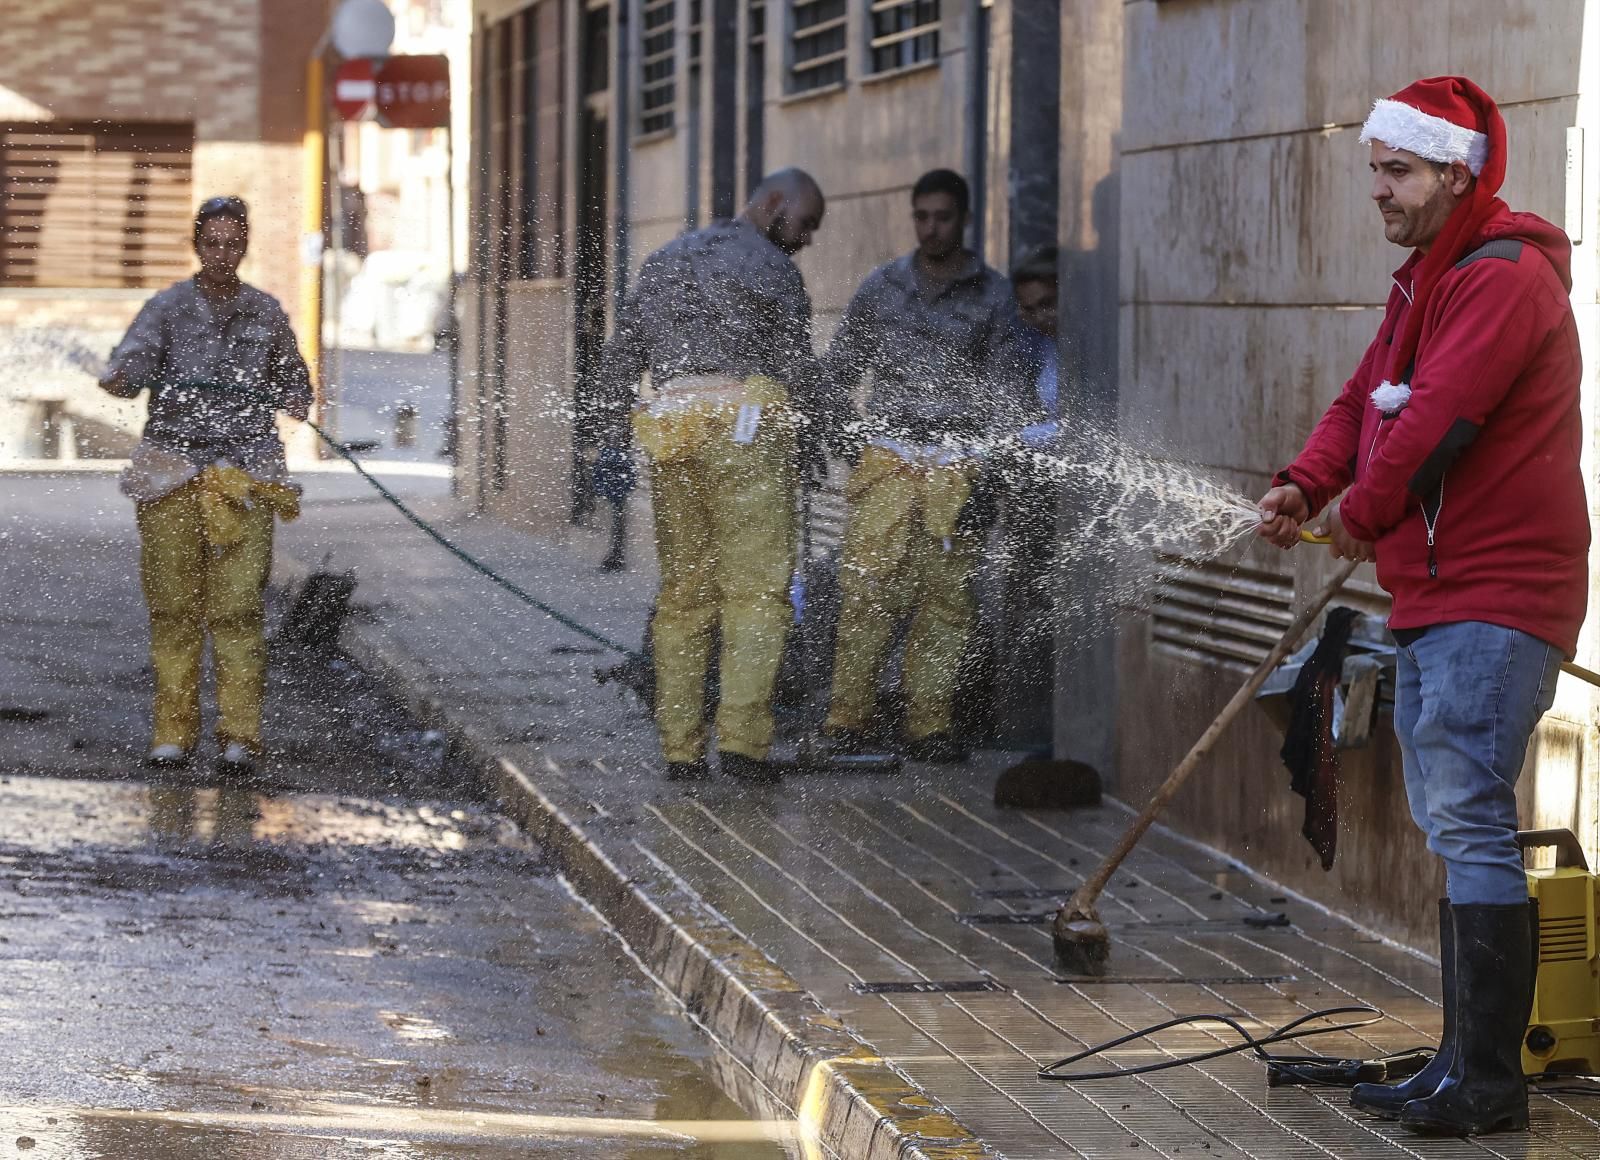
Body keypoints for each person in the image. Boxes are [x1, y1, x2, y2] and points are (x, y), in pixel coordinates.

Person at [1257, 77, 1588, 1137]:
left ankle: (1488, 1080)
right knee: (1455, 821)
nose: (1378, 191)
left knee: (1470, 820)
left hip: (1496, 590)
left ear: (1454, 171)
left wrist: (1360, 509)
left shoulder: (1502, 278)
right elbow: (1365, 400)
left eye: (1395, 172)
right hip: (1442, 589)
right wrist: (1306, 482)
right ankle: (1459, 1061)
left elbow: (1436, 419)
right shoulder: (1425, 281)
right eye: (1374, 171)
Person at [594, 168, 831, 782]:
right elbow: (794, 366)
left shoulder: (666, 258)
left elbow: (623, 355)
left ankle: (680, 748)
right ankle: (744, 744)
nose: (806, 240)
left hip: (671, 434)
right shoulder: (775, 270)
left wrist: (612, 439)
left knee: (685, 596)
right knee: (755, 594)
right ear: (774, 202)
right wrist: (823, 440)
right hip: (744, 435)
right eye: (805, 223)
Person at [821, 169, 1035, 763]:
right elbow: (840, 371)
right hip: (887, 460)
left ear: (963, 218)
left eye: (942, 217)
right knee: (867, 591)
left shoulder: (993, 294)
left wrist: (990, 471)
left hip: (956, 464)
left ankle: (930, 724)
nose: (931, 228)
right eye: (922, 216)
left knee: (947, 602)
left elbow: (1007, 393)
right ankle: (847, 721)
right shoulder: (882, 286)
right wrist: (847, 440)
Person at [99, 196, 314, 776]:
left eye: (232, 242)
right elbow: (127, 369)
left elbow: (295, 380)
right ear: (197, 245)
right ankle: (173, 732)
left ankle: (240, 735)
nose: (222, 253)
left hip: (246, 477)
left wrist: (295, 397)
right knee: (173, 609)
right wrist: (122, 379)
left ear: (245, 246)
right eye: (212, 242)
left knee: (240, 609)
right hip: (171, 473)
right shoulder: (166, 309)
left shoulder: (265, 313)